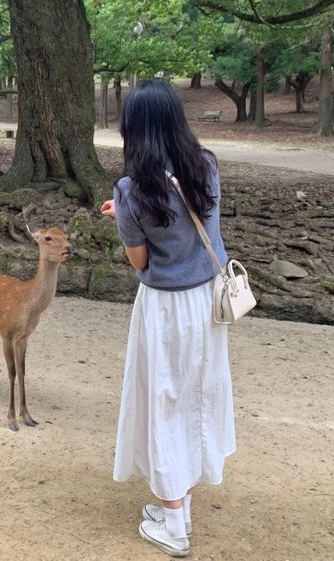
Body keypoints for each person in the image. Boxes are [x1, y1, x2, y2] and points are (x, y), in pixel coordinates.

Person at [100, 80, 236, 558]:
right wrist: (129, 211)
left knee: (164, 402)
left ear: (132, 131)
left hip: (164, 309)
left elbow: (139, 262)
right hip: (208, 303)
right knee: (195, 398)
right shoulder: (206, 166)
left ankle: (174, 526)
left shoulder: (131, 190)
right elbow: (190, 219)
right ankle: (177, 507)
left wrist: (125, 217)